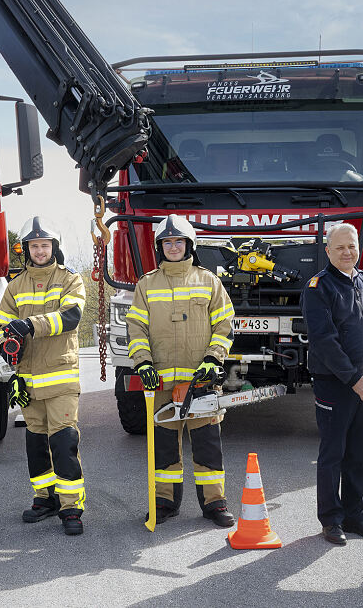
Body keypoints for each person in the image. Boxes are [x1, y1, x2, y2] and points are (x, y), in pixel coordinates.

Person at [125, 215, 236, 527]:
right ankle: (164, 503)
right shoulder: (146, 285)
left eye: (179, 241)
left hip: (200, 384)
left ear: (190, 244)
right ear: (160, 246)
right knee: (163, 450)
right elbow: (136, 330)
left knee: (207, 446)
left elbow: (225, 324)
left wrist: (214, 359)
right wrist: (143, 363)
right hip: (160, 385)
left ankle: (215, 504)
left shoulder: (209, 281)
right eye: (167, 242)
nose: (173, 247)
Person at [0, 217, 87, 536]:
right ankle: (45, 500)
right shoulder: (14, 286)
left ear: (54, 248)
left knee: (63, 443)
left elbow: (71, 317)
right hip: (28, 381)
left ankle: (71, 506)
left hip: (60, 378)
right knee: (36, 444)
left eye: (45, 245)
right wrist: (6, 346)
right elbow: (0, 329)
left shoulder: (70, 279)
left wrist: (29, 325)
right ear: (26, 250)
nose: (40, 251)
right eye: (34, 246)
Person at [300, 223, 363, 545]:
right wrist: (352, 379)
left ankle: (355, 515)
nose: (347, 252)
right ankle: (331, 520)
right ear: (328, 251)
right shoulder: (317, 287)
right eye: (340, 248)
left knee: (360, 453)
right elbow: (323, 340)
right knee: (333, 454)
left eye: (351, 246)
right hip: (336, 383)